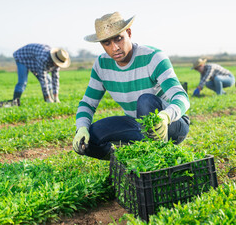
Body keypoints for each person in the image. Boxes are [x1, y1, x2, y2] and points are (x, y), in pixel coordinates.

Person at [72, 12, 190, 160]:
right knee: (89, 139)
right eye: (107, 43)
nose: (115, 48)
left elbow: (182, 97)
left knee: (146, 101)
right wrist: (81, 128)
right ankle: (129, 159)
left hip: (171, 125)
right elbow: (87, 103)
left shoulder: (153, 57)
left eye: (118, 39)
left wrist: (165, 116)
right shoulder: (101, 65)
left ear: (128, 33)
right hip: (136, 125)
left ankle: (158, 158)